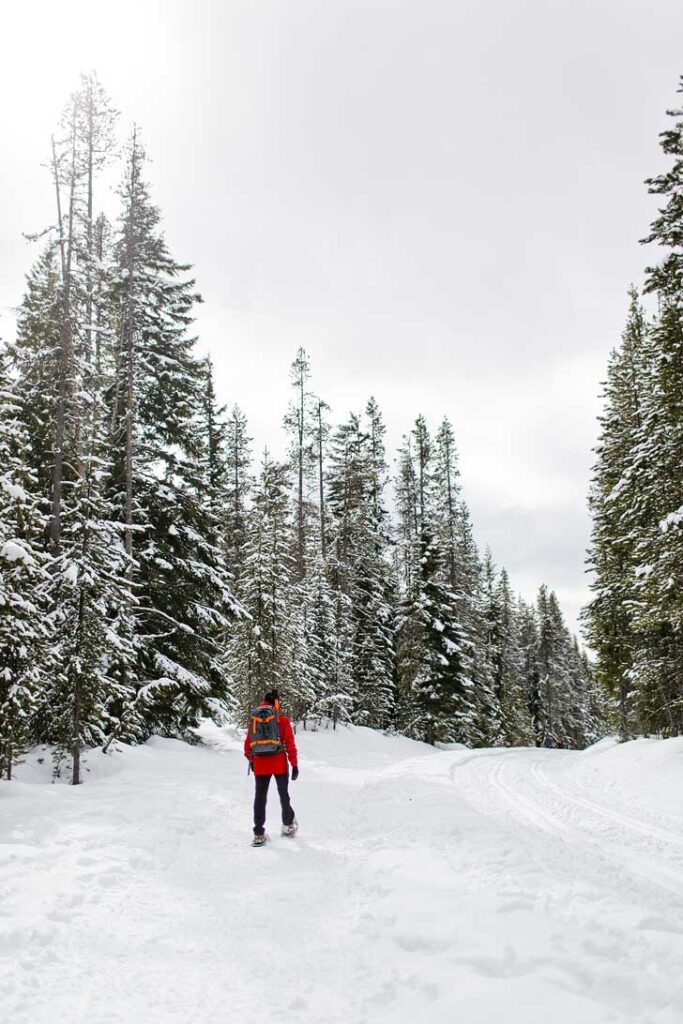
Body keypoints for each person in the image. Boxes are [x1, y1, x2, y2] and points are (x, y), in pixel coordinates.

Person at [244, 688, 299, 846]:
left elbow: (248, 745)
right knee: (283, 794)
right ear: (276, 701)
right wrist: (294, 764)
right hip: (279, 763)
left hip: (260, 764)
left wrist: (252, 760)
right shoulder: (281, 719)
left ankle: (259, 834)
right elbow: (290, 744)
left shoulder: (255, 719)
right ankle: (288, 825)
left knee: (260, 797)